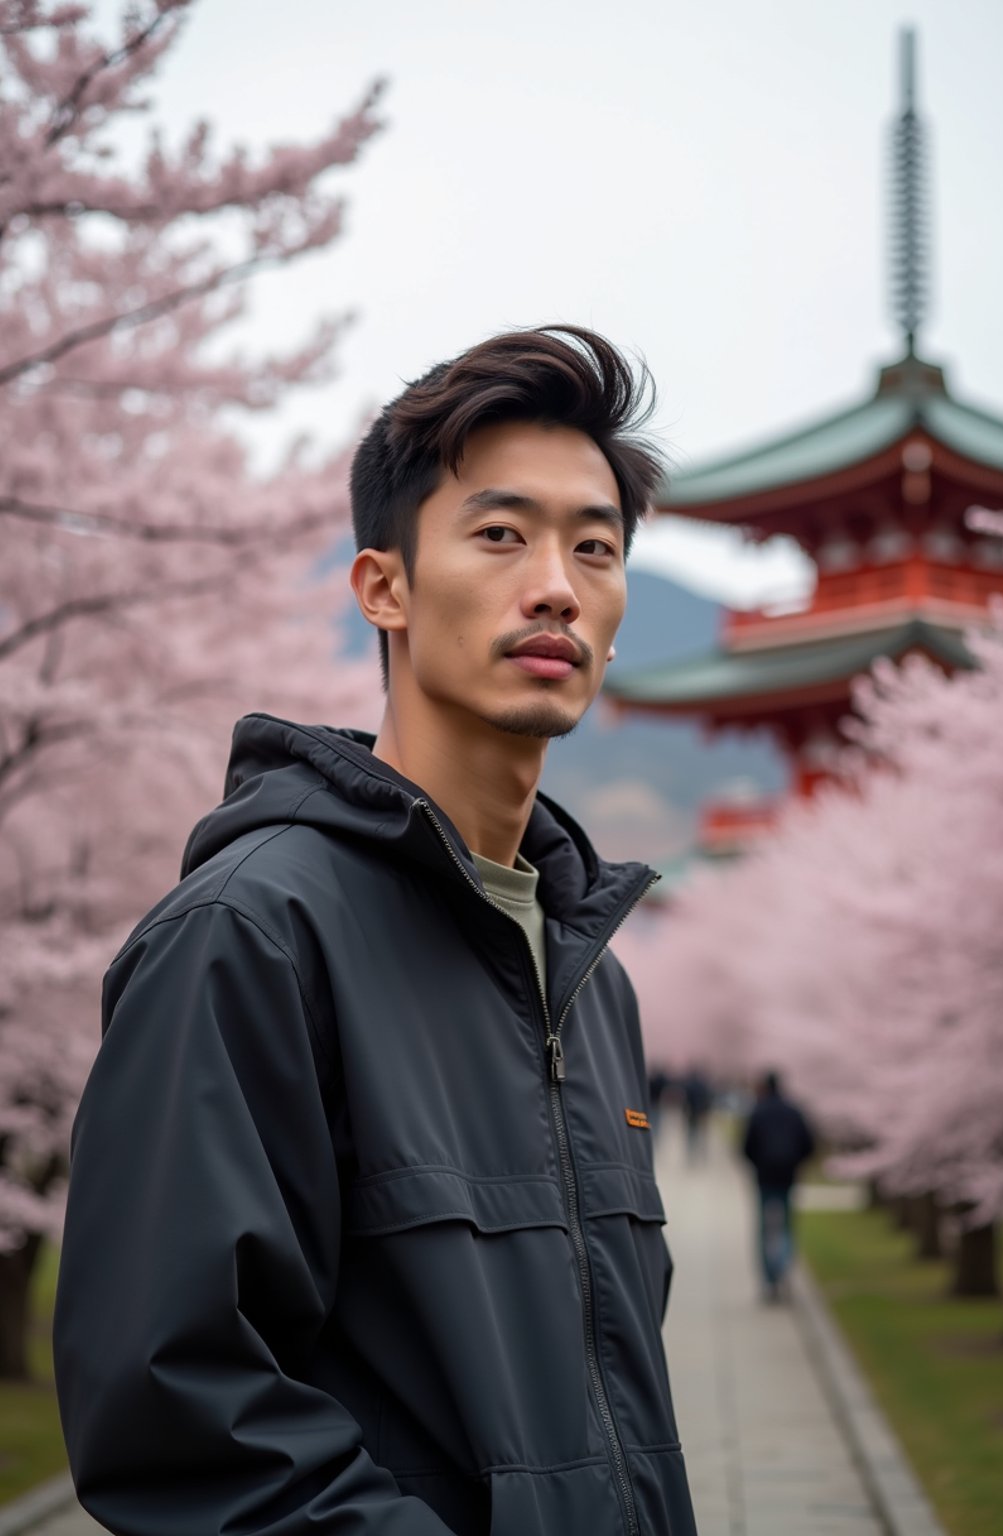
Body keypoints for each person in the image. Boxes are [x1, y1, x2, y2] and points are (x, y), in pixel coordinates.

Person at [54, 327, 698, 1536]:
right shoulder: (250, 938)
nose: (557, 582)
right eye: (501, 534)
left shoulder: (584, 972)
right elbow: (180, 1420)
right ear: (382, 588)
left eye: (595, 547)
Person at [741, 1069, 815, 1302]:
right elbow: (809, 1144)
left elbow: (746, 1147)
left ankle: (769, 1278)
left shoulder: (758, 1111)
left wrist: (758, 1164)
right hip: (788, 1176)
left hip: (764, 1178)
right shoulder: (794, 1111)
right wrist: (796, 1163)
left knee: (764, 1228)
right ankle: (782, 1266)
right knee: (786, 1226)